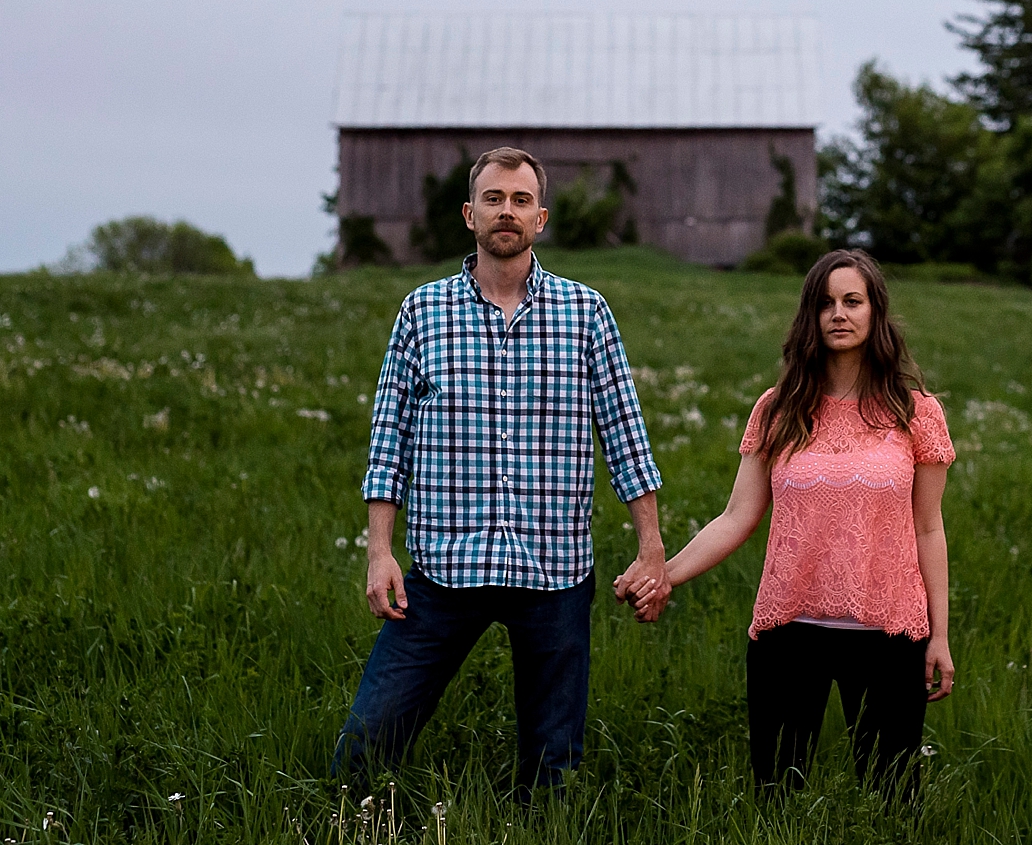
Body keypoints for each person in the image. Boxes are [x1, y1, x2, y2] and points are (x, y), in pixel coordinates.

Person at [334, 146, 669, 795]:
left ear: (540, 217)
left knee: (553, 772)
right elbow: (388, 441)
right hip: (444, 569)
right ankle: (350, 821)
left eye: (520, 200)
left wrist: (650, 547)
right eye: (493, 199)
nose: (506, 211)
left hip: (554, 570)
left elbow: (626, 435)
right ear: (470, 214)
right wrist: (379, 552)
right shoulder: (422, 312)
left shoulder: (586, 313)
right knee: (365, 748)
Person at [618, 249, 955, 796]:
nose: (838, 314)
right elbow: (736, 518)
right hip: (790, 630)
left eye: (852, 301)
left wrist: (939, 636)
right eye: (825, 303)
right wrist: (663, 575)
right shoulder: (779, 410)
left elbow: (928, 529)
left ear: (875, 312)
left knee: (892, 799)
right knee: (775, 793)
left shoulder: (915, 413)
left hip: (889, 635)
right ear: (809, 317)